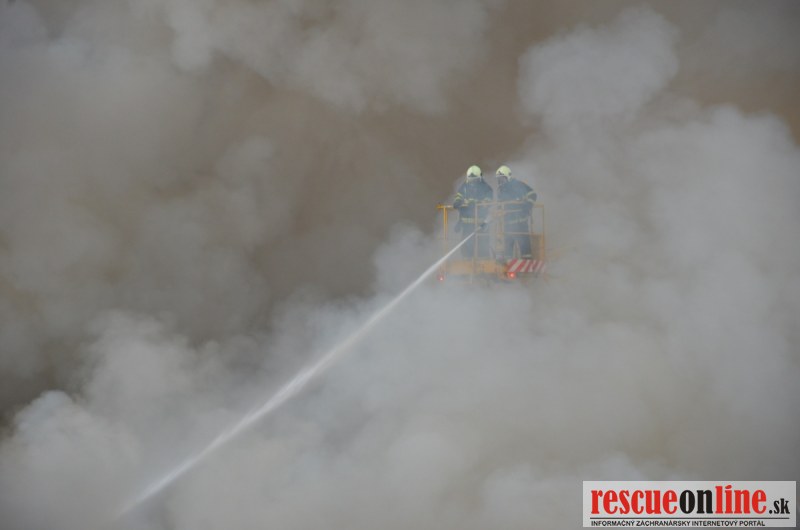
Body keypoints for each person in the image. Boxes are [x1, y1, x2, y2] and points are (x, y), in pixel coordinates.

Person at [495, 165, 537, 258]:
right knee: (508, 249)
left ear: (508, 177)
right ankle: (508, 262)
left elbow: (532, 194)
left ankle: (527, 261)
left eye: (502, 179)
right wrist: (498, 213)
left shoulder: (518, 185)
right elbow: (500, 205)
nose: (500, 182)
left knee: (524, 246)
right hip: (507, 225)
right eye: (499, 180)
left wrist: (527, 205)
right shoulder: (501, 190)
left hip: (520, 223)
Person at [453, 165, 494, 257]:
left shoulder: (486, 188)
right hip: (467, 226)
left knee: (482, 248)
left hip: (481, 225)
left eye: (474, 180)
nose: (472, 182)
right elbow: (459, 197)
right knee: (465, 249)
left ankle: (484, 263)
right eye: (470, 180)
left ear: (480, 178)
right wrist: (458, 202)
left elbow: (488, 201)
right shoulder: (464, 187)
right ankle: (468, 263)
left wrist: (476, 203)